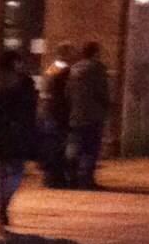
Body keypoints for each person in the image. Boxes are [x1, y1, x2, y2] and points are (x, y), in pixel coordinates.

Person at [0, 51, 38, 234]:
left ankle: (2, 205)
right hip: (9, 135)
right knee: (11, 173)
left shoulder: (18, 84)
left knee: (7, 174)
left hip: (4, 136)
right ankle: (1, 207)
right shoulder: (0, 86)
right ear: (14, 64)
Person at [67, 40, 112, 189]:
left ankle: (71, 178)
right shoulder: (97, 69)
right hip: (93, 114)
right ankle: (86, 180)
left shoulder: (73, 69)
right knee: (90, 148)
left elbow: (67, 92)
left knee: (75, 146)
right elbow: (102, 92)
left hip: (75, 114)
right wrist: (107, 106)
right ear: (95, 52)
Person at [40, 44, 73, 188]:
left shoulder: (51, 68)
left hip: (48, 111)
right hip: (59, 113)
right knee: (59, 147)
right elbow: (67, 93)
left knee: (51, 146)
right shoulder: (65, 70)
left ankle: (49, 178)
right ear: (65, 53)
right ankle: (56, 179)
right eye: (71, 52)